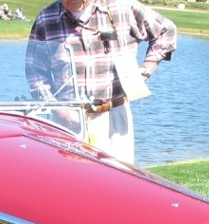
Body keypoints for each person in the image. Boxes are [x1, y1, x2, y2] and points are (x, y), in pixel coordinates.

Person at [25, 0, 176, 165]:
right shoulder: (46, 18)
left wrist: (146, 70)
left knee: (118, 181)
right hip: (68, 120)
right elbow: (35, 69)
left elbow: (166, 30)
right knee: (70, 184)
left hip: (115, 116)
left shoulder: (123, 8)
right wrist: (56, 107)